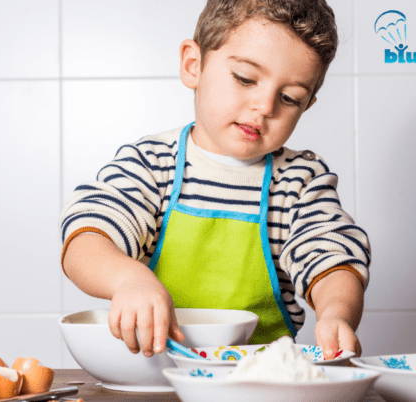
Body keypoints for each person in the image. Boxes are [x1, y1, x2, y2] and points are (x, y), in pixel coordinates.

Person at [60, 0, 371, 361]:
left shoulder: (298, 181)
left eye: (289, 98)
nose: (265, 106)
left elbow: (332, 256)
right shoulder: (150, 165)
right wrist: (128, 280)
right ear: (194, 65)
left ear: (307, 105)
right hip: (157, 372)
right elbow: (86, 238)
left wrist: (336, 313)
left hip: (258, 381)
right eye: (245, 78)